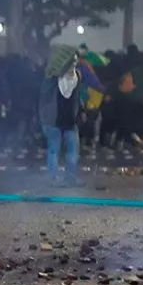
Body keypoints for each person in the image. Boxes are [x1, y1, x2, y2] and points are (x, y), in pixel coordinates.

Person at [38, 48, 100, 186]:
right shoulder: (52, 80)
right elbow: (43, 99)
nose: (74, 66)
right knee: (54, 150)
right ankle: (53, 178)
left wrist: (82, 111)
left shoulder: (75, 78)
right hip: (54, 122)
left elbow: (76, 97)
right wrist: (44, 119)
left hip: (70, 122)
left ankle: (69, 178)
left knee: (72, 152)